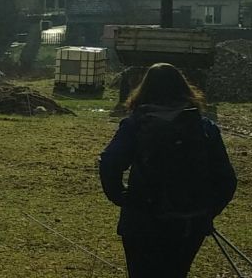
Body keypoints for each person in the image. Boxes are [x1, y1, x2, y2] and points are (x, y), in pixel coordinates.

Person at [99, 63, 238, 277]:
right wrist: (206, 212)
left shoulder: (136, 124)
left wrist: (122, 197)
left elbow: (110, 162)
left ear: (143, 90)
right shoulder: (203, 127)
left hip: (142, 219)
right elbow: (227, 179)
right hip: (188, 223)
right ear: (185, 89)